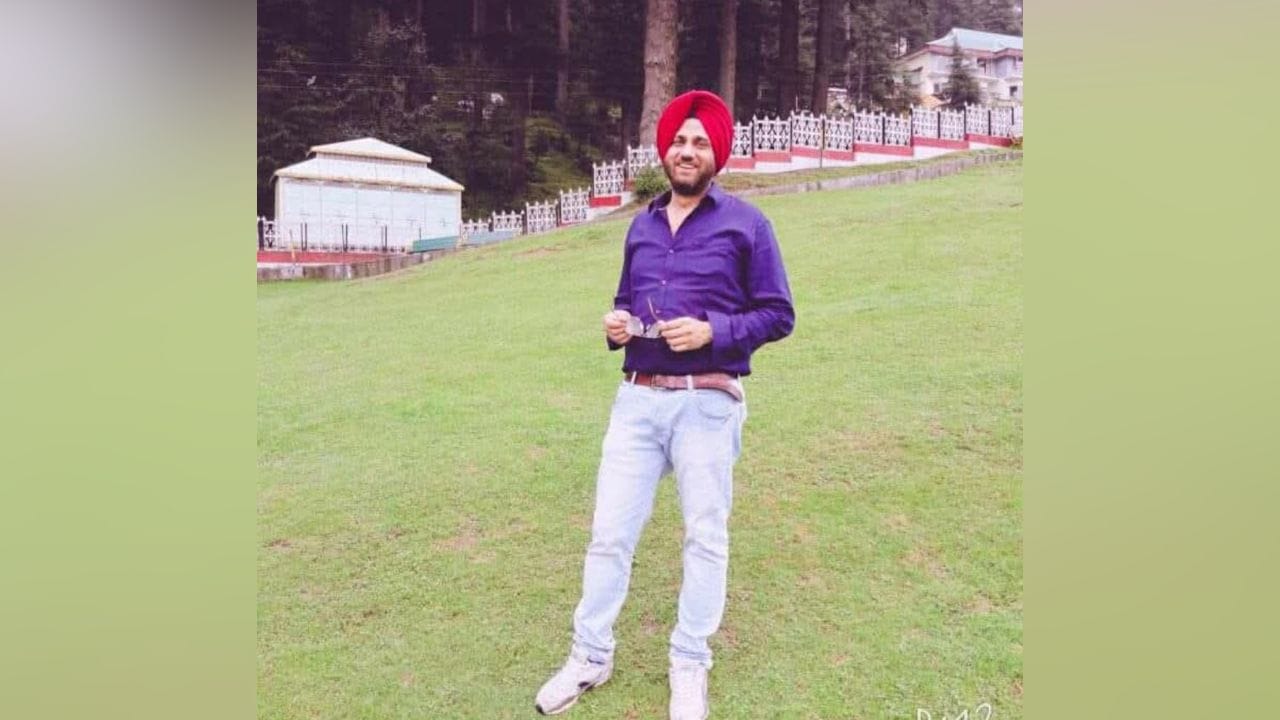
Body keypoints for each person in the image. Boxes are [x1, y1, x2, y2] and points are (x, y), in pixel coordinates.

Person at [535, 90, 795, 719]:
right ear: (666, 151)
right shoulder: (642, 225)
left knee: (705, 538)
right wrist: (616, 324)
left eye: (699, 142)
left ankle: (689, 662)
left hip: (707, 403)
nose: (687, 150)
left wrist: (713, 332)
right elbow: (626, 300)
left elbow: (778, 314)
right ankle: (590, 655)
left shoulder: (747, 225)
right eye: (679, 140)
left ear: (716, 155)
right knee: (608, 535)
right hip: (637, 402)